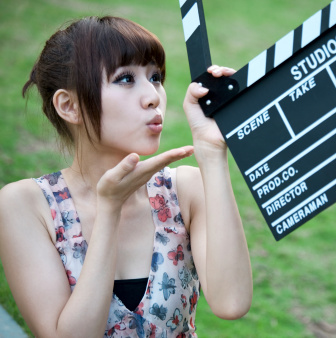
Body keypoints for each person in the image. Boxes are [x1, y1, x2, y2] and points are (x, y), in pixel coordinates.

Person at [0, 16, 252, 337]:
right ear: (69, 106)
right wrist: (110, 210)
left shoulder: (184, 190)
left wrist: (212, 151)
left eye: (155, 77)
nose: (154, 97)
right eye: (125, 79)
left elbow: (232, 303)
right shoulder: (26, 205)